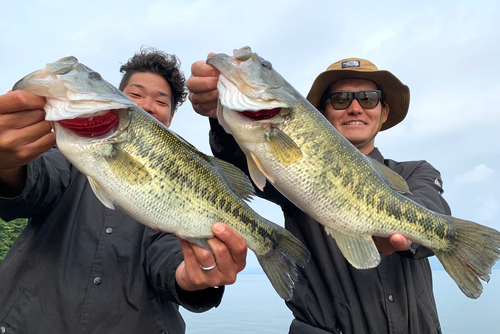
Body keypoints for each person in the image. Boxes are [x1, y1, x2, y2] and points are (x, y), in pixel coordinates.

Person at [187, 55, 451, 334]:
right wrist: (221, 116)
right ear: (323, 113)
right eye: (340, 100)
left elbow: (433, 214)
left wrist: (403, 234)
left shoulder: (416, 172)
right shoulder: (292, 176)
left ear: (383, 112)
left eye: (368, 98)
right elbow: (241, 159)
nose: (355, 108)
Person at [0, 47, 248, 334]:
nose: (147, 105)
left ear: (169, 117)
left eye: (161, 101)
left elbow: (168, 253)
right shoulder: (69, 152)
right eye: (136, 95)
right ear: (117, 100)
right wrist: (6, 165)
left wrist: (191, 276)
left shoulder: (180, 180)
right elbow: (35, 184)